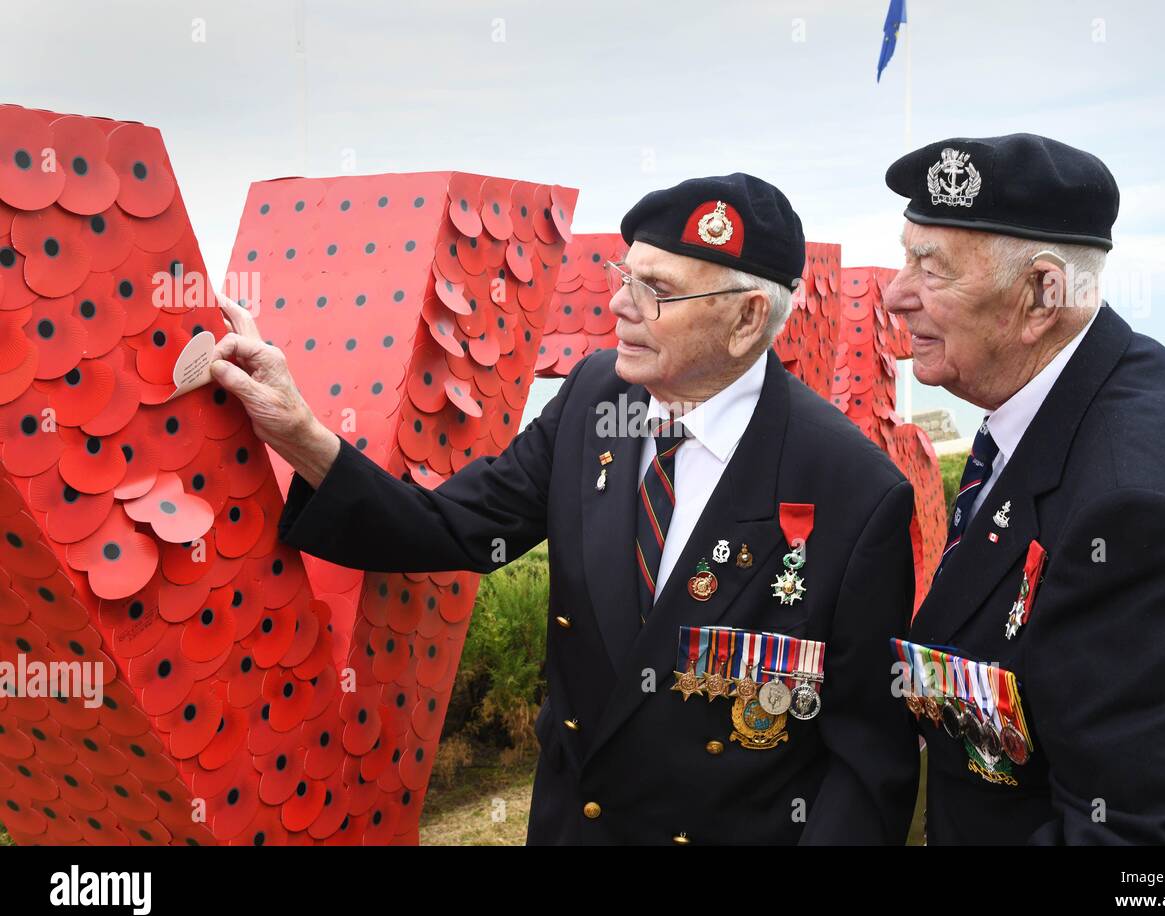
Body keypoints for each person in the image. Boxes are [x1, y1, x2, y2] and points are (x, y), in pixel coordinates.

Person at [210, 172, 921, 844]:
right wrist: (301, 435)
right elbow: (452, 528)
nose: (618, 307)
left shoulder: (853, 491)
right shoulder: (594, 399)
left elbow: (865, 769)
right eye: (622, 277)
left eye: (655, 291)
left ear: (746, 318)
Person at [883, 133, 1165, 844]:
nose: (896, 293)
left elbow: (1140, 839)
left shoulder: (1130, 505)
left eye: (933, 268)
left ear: (1045, 293)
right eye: (905, 255)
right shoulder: (1064, 401)